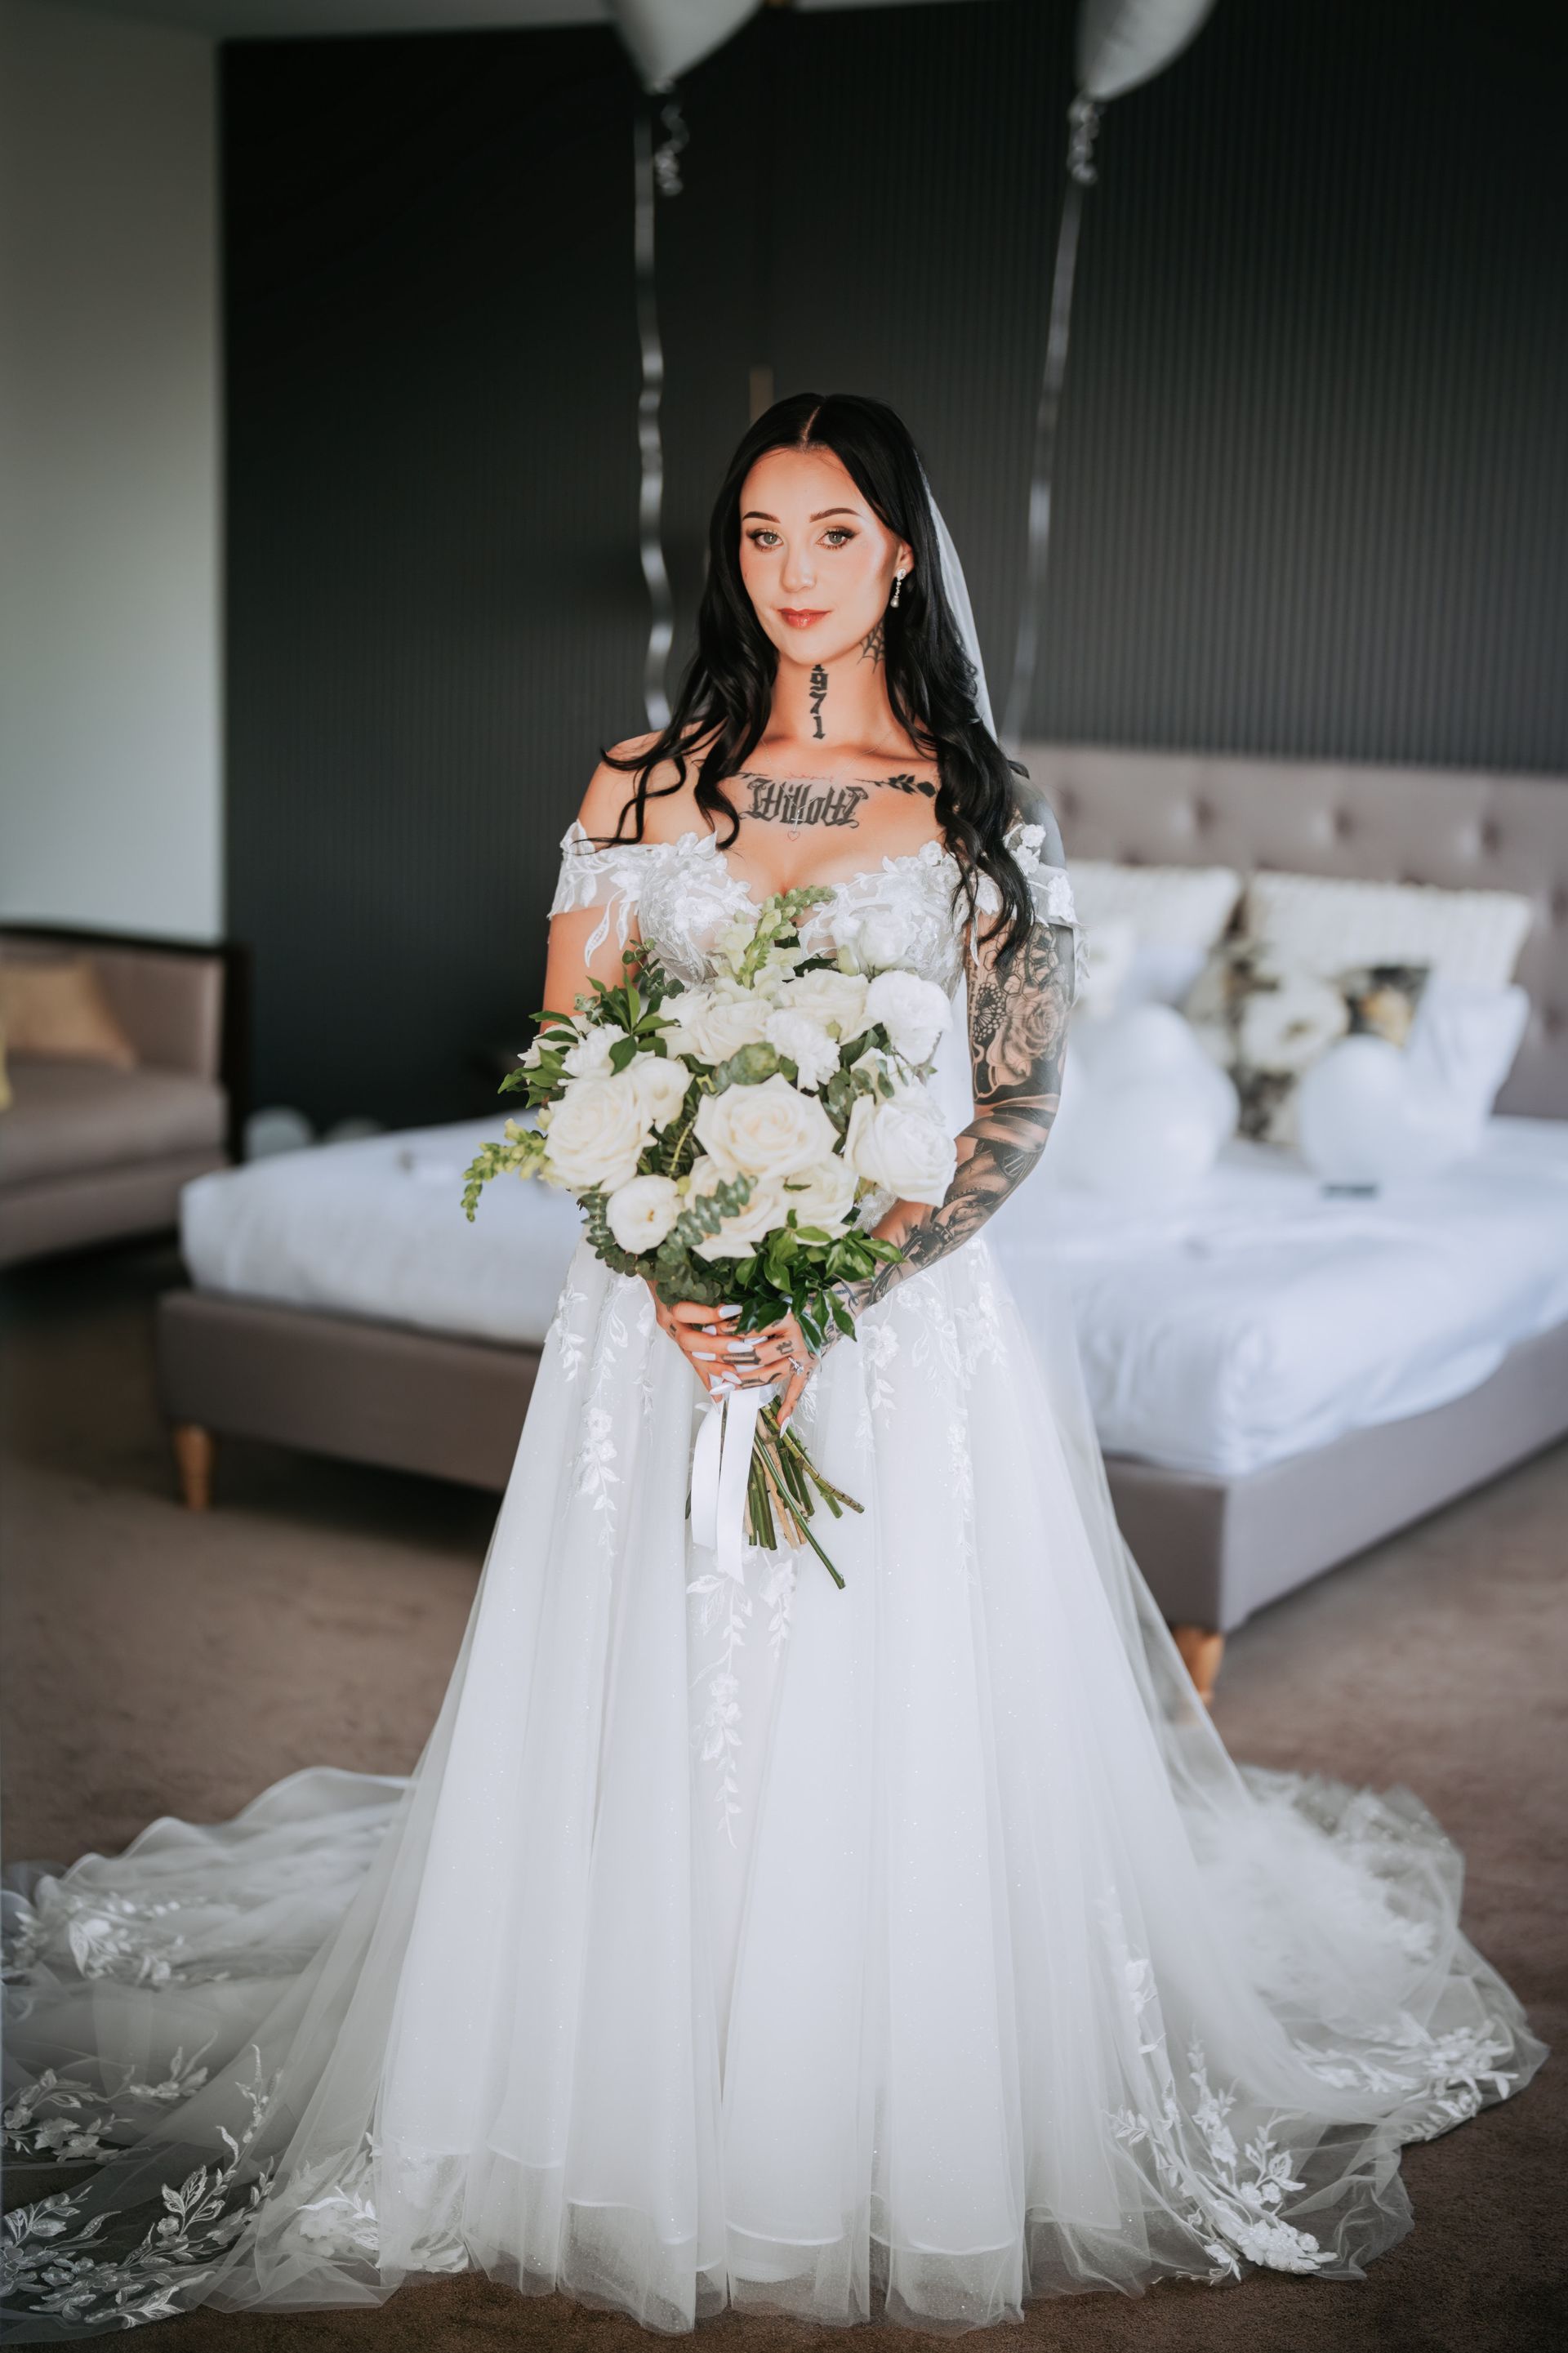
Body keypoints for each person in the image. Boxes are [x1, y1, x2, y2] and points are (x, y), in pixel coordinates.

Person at [2, 394, 1542, 2342]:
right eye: (757, 536)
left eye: (830, 533)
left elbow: (1018, 1102)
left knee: (889, 1691)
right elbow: (576, 1067)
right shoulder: (646, 780)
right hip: (656, 1329)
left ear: (901, 551)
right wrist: (667, 1269)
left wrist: (836, 1292)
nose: (791, 573)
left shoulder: (984, 808)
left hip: (897, 1331)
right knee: (640, 1667)